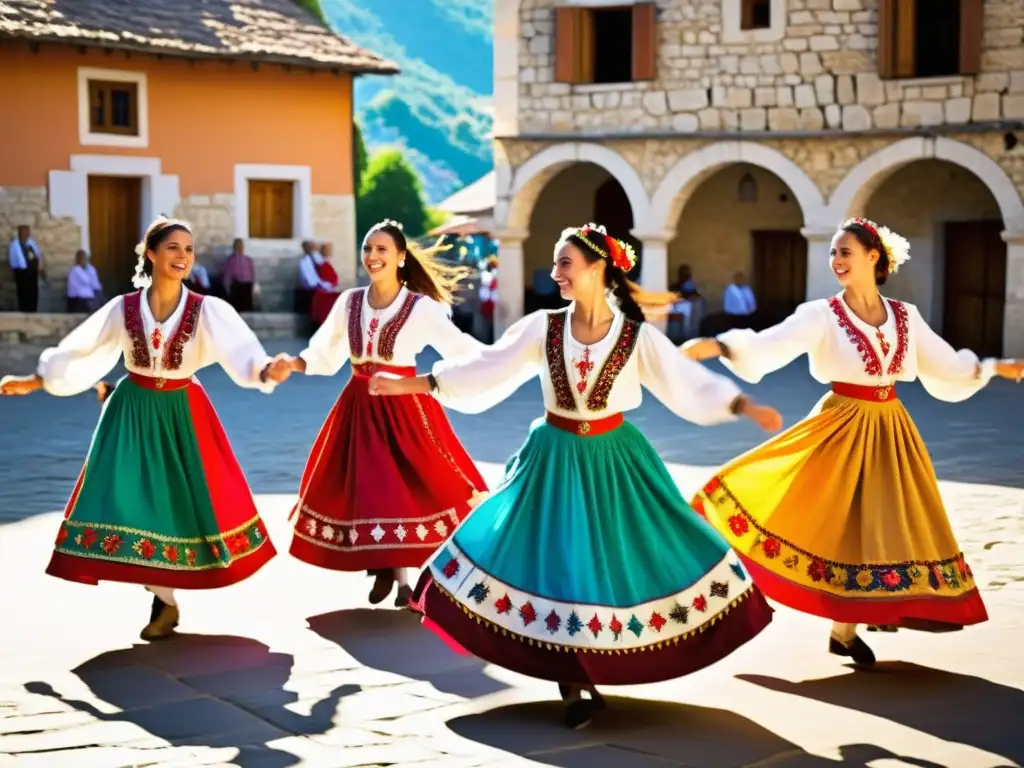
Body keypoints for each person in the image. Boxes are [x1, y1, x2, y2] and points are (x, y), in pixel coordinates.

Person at [368, 223, 782, 729]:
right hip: (553, 456)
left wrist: (740, 403)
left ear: (596, 268)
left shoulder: (636, 337)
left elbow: (685, 381)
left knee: (618, 558)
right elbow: (487, 367)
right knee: (555, 559)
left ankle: (600, 662)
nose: (557, 273)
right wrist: (412, 383)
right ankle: (574, 679)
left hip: (615, 461)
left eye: (566, 263)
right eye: (558, 264)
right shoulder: (542, 327)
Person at [683, 217, 1024, 665]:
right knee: (832, 520)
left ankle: (847, 628)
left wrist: (993, 367)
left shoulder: (905, 316)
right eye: (833, 253)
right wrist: (722, 346)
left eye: (846, 252)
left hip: (890, 429)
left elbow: (944, 364)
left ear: (873, 257)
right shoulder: (821, 314)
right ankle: (757, 600)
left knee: (883, 522)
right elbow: (772, 343)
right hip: (839, 425)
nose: (837, 260)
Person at [0, 217, 292, 642]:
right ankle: (164, 600)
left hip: (182, 415)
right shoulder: (123, 309)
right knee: (129, 503)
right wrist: (38, 380)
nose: (183, 257)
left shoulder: (207, 310)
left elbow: (243, 355)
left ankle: (163, 600)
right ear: (150, 254)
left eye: (188, 250)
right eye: (173, 247)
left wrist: (267, 370)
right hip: (131, 412)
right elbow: (83, 350)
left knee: (176, 505)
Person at [265, 219, 488, 607]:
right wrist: (294, 364)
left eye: (382, 250)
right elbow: (325, 352)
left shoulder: (421, 308)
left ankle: (400, 575)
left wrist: (425, 381)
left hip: (404, 408)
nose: (372, 256)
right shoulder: (349, 301)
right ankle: (388, 570)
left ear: (401, 258)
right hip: (358, 405)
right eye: (368, 249)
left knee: (408, 485)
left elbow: (464, 352)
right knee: (371, 488)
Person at [8, 224, 46, 312]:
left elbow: (36, 255)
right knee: (24, 294)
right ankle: (24, 312)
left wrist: (39, 266)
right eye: (24, 232)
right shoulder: (15, 244)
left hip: (32, 272)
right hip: (22, 273)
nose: (26, 234)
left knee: (33, 294)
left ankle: (33, 311)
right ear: (20, 233)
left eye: (28, 232)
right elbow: (13, 259)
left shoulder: (30, 243)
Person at [221, 239, 256, 312]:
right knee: (246, 308)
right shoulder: (248, 260)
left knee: (237, 309)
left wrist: (227, 288)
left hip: (238, 286)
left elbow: (227, 276)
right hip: (246, 286)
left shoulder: (231, 260)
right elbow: (252, 275)